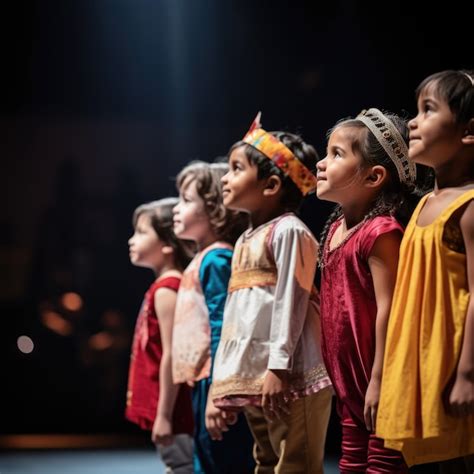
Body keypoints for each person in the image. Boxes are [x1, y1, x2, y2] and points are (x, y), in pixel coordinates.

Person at [210, 114, 333, 474]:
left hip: (290, 374)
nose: (226, 177)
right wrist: (226, 381)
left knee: (296, 462)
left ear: (271, 184)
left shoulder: (289, 232)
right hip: (258, 378)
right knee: (266, 460)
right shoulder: (245, 239)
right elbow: (238, 317)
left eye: (236, 168)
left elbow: (290, 301)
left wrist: (278, 366)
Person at [316, 107, 431, 473]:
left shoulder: (380, 232)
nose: (322, 163)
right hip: (351, 388)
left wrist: (380, 380)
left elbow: (391, 310)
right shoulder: (335, 230)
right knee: (351, 465)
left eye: (336, 154)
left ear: (373, 176)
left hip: (380, 383)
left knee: (383, 466)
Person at [376, 70, 474, 473]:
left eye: (428, 110)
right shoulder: (419, 206)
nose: (412, 121)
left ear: (469, 131)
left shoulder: (468, 207)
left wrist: (467, 373)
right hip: (422, 376)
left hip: (453, 372)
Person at [171, 161, 255, 474]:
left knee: (220, 460)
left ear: (215, 208)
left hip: (215, 379)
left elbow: (225, 326)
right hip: (202, 379)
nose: (177, 209)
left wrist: (218, 394)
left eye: (187, 200)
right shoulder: (203, 258)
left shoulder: (217, 259)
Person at [125, 198, 195, 474]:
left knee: (181, 465)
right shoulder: (162, 287)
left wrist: (164, 415)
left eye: (142, 232)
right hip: (169, 404)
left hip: (175, 407)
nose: (132, 240)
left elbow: (173, 353)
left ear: (167, 243)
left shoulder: (168, 289)